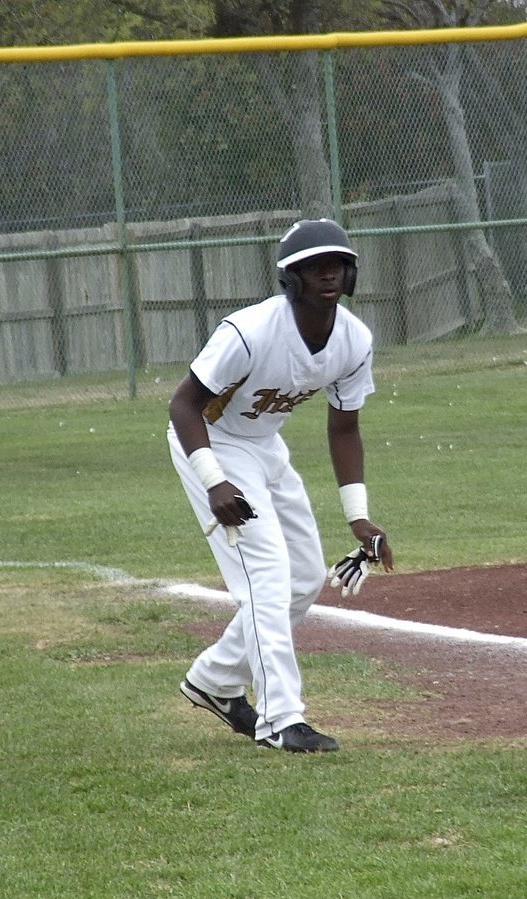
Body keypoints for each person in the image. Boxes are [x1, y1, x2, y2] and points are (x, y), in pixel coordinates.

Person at [167, 218, 393, 753]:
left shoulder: (354, 339)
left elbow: (345, 426)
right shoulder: (249, 331)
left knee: (305, 577)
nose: (327, 275)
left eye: (336, 264)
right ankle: (280, 719)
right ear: (290, 278)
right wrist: (214, 482)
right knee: (266, 575)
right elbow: (183, 404)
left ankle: (216, 682)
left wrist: (358, 517)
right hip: (212, 444)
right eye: (313, 267)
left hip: (265, 446)